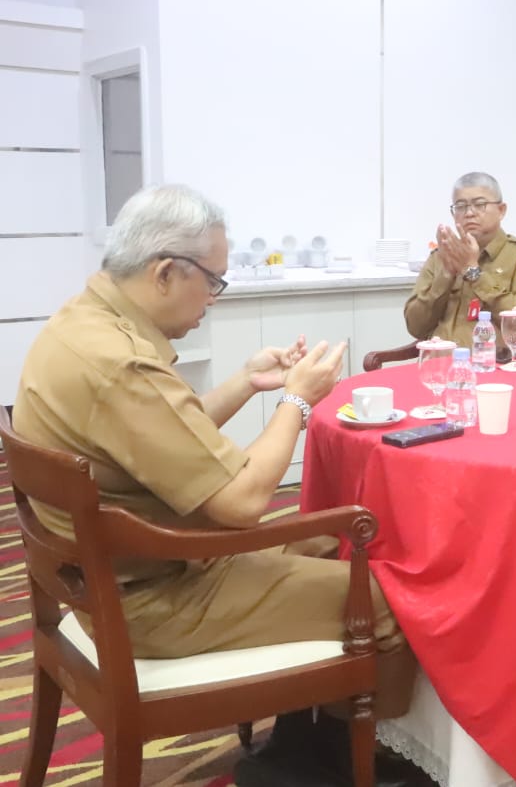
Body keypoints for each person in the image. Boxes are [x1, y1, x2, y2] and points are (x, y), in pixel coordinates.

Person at [13, 184, 417, 786]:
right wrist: (296, 402)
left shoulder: (81, 325)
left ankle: (303, 742)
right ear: (166, 272)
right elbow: (245, 502)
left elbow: (160, 436)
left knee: (328, 547)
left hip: (111, 574)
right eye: (214, 281)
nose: (215, 299)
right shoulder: (120, 363)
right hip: (150, 598)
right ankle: (339, 759)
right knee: (388, 601)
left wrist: (246, 383)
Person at [404, 171, 516, 359]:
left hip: (497, 366)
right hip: (439, 367)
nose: (469, 213)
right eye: (461, 206)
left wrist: (474, 272)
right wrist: (446, 275)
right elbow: (416, 327)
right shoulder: (442, 256)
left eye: (480, 205)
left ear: (501, 210)